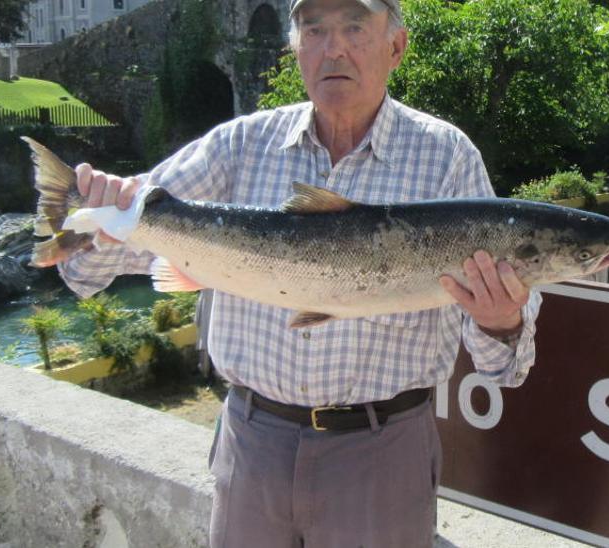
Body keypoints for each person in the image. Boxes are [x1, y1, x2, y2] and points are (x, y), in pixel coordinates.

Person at [57, 0, 541, 545]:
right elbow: (83, 270)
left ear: (396, 47)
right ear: (296, 50)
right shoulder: (239, 144)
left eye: (355, 28)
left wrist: (503, 322)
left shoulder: (448, 157)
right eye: (315, 29)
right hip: (251, 442)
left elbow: (506, 370)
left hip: (382, 453)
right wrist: (96, 212)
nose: (333, 47)